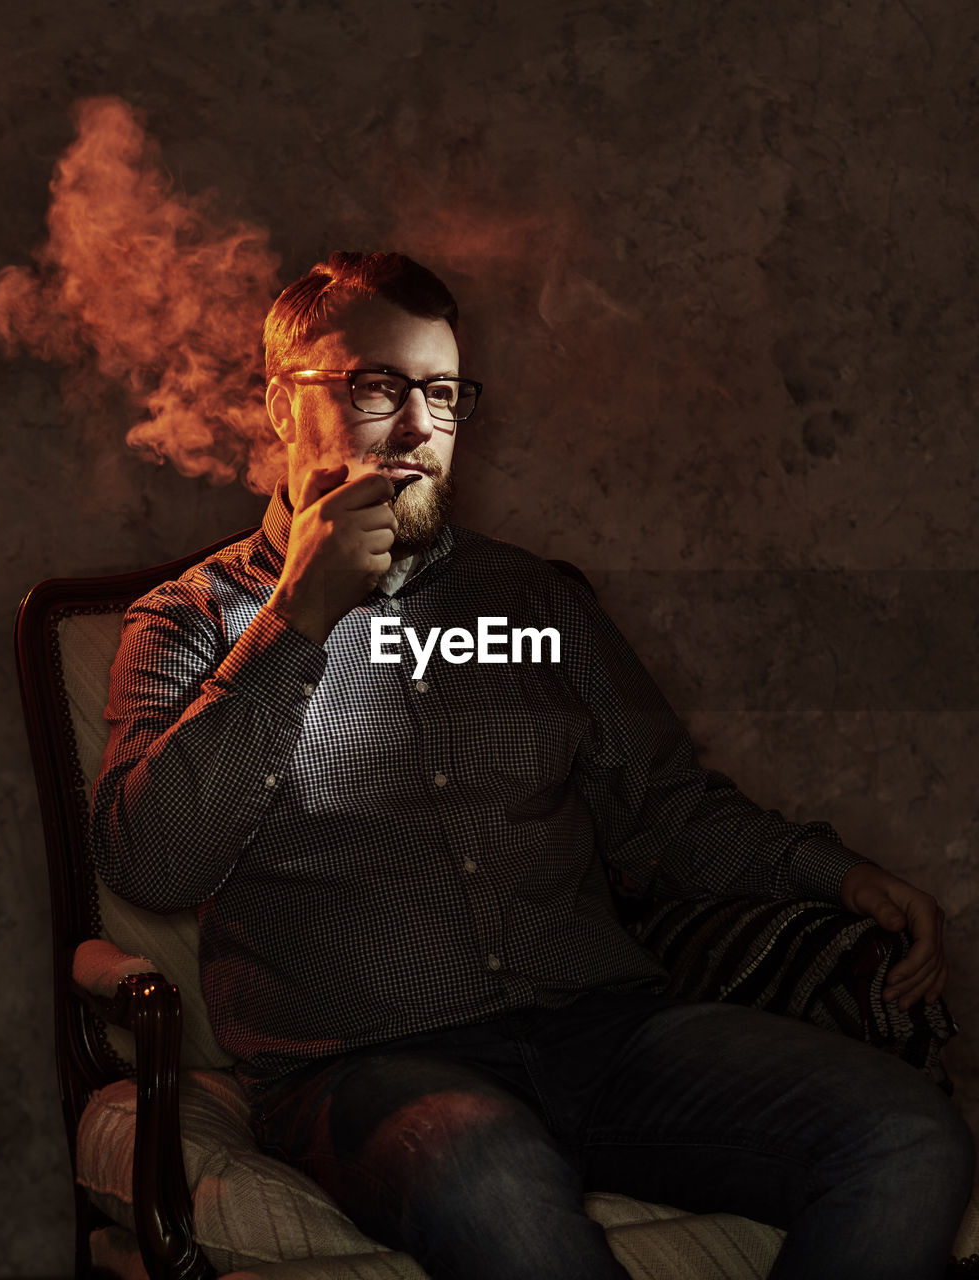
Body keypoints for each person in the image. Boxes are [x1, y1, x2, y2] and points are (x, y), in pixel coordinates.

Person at [90, 250, 974, 1280]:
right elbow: (150, 861)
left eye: (443, 393)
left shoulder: (534, 605)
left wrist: (841, 875)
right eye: (376, 387)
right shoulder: (193, 621)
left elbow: (664, 807)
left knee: (906, 1134)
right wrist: (299, 617)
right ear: (281, 407)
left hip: (607, 1034)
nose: (419, 428)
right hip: (364, 1068)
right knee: (492, 1176)